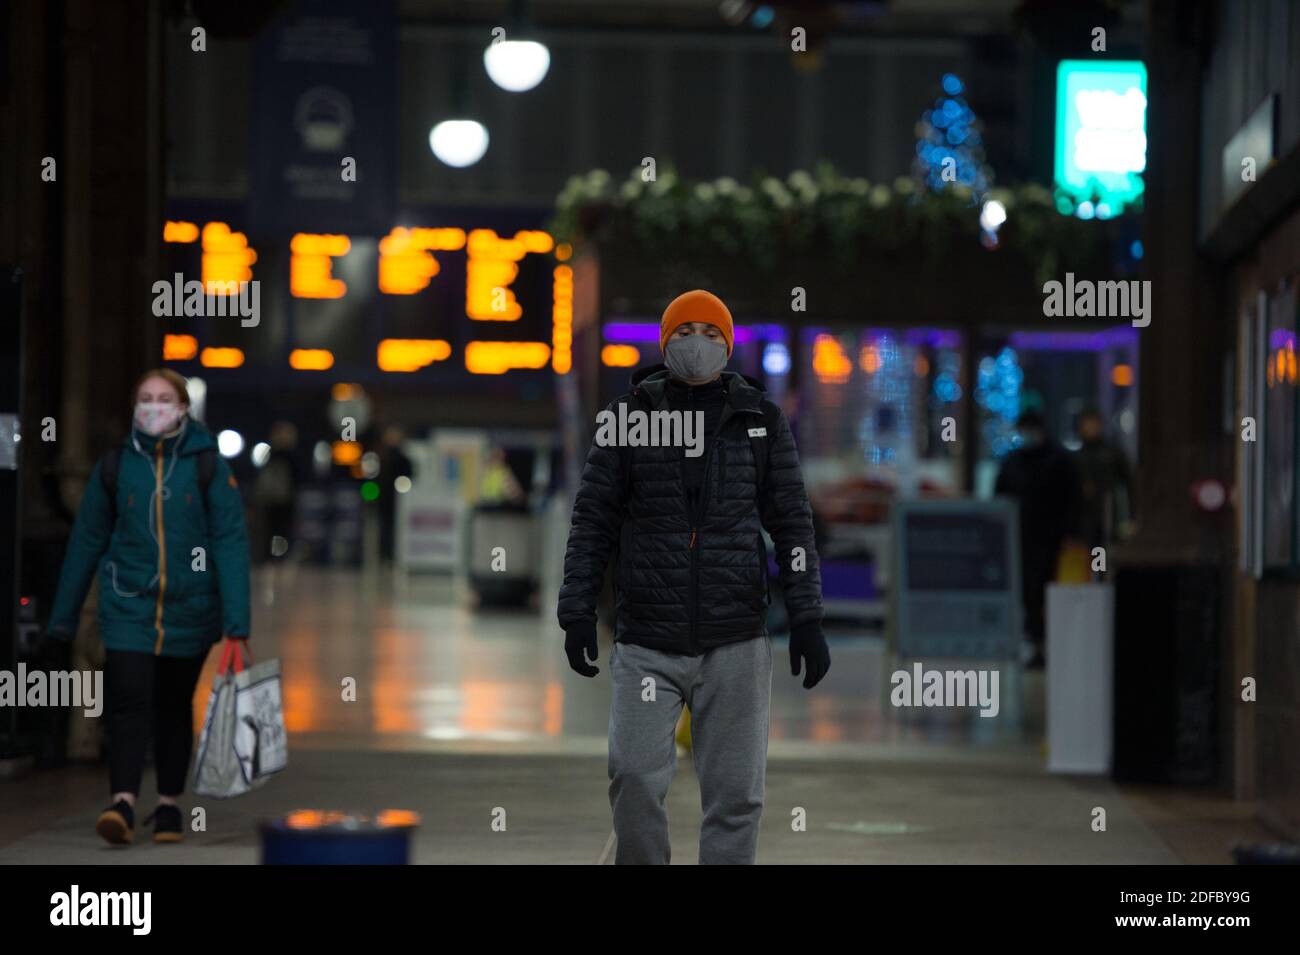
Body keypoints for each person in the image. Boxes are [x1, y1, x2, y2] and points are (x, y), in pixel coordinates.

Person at [558, 288, 829, 865]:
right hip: (646, 640)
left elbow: (793, 525)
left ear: (728, 345)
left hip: (735, 638)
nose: (697, 343)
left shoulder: (761, 421)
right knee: (632, 777)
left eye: (710, 333)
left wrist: (807, 616)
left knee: (735, 796)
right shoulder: (627, 420)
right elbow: (592, 522)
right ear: (663, 341)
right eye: (684, 332)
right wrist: (576, 609)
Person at [44, 369, 251, 846]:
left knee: (174, 706)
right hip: (128, 606)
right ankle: (123, 802)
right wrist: (63, 617)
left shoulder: (208, 466)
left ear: (182, 408)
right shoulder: (116, 465)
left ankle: (169, 806)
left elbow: (230, 542)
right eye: (145, 399)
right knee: (130, 699)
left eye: (163, 399)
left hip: (191, 609)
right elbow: (88, 539)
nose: (153, 406)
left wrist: (237, 622)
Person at [994, 409, 1081, 669]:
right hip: (1019, 539)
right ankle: (1035, 643)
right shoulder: (1013, 462)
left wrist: (1070, 533)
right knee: (1027, 594)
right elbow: (1000, 497)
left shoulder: (1058, 460)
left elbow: (1073, 500)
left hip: (1050, 539)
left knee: (1046, 592)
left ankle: (1047, 644)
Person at [1073, 407, 1135, 547]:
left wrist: (1131, 516)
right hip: (1085, 520)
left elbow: (1129, 484)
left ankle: (1101, 568)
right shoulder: (1077, 459)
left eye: (1093, 423)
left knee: (1104, 556)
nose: (1090, 428)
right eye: (1087, 424)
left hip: (1110, 516)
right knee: (1094, 557)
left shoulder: (1112, 454)